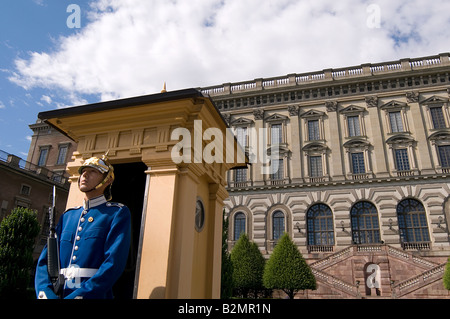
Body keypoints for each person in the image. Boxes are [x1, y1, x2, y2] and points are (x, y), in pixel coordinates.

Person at [35, 154, 131, 299]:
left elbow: (113, 264)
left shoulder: (116, 213)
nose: (84, 174)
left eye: (93, 171)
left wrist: (81, 296)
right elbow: (45, 261)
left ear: (108, 179)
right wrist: (46, 294)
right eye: (83, 171)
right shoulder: (68, 216)